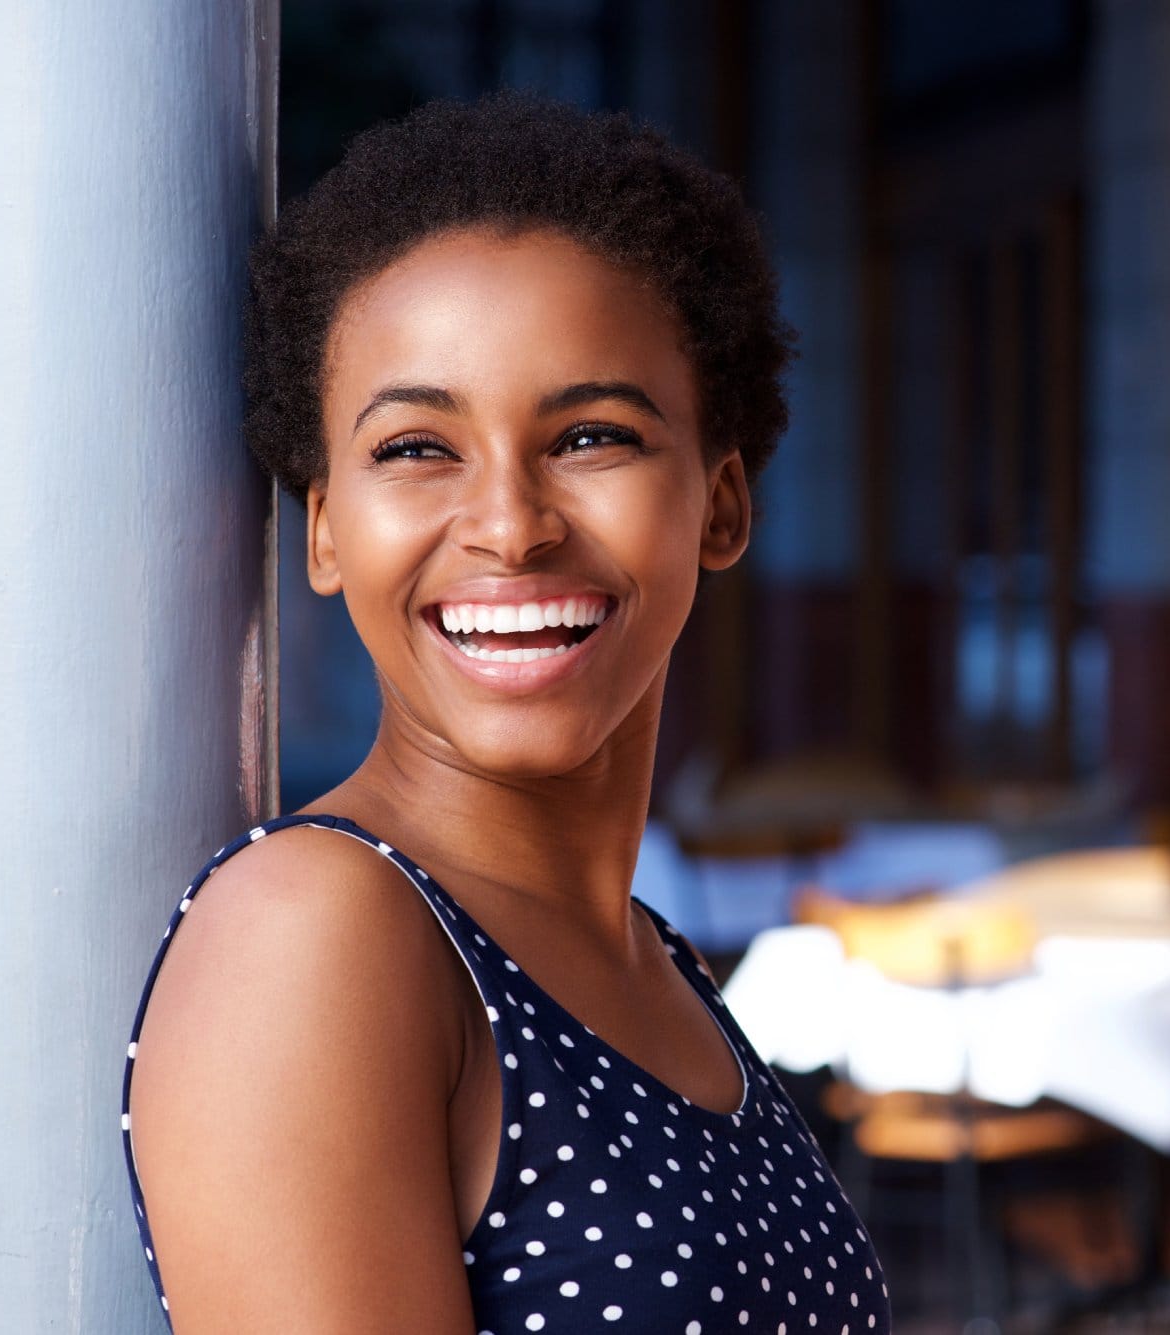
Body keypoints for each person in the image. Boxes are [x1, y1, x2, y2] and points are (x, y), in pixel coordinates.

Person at [120, 94, 890, 1334]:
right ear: (323, 528)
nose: (509, 524)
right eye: (417, 449)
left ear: (720, 505)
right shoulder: (316, 930)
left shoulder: (655, 962)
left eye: (592, 435)